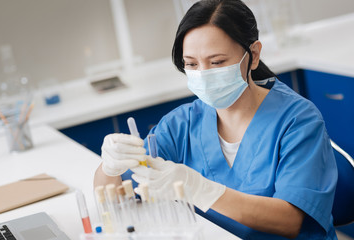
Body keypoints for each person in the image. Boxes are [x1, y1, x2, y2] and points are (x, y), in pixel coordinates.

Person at [94, 0, 338, 239]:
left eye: (217, 62)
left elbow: (290, 220)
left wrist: (201, 189)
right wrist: (110, 167)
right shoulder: (183, 124)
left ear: (253, 55)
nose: (204, 74)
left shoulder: (297, 120)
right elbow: (115, 196)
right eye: (191, 64)